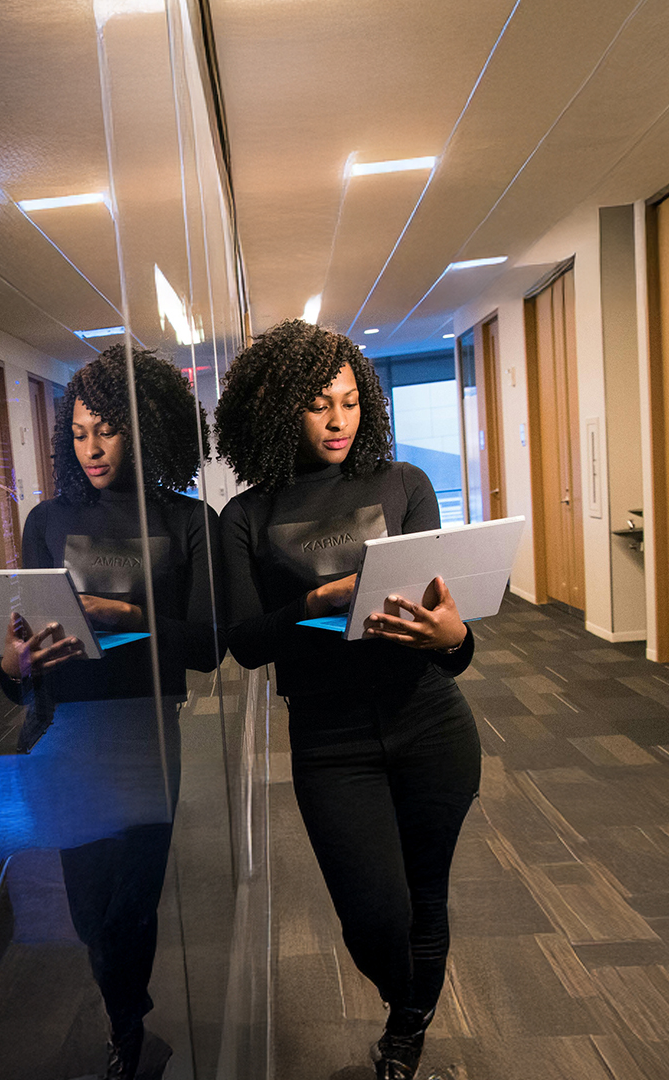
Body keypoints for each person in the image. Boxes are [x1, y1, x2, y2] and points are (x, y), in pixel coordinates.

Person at [215, 321, 479, 1080]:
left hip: (429, 721)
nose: (338, 421)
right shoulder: (248, 517)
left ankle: (405, 1031)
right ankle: (413, 1000)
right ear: (276, 410)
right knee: (373, 915)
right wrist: (317, 602)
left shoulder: (404, 486)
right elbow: (244, 640)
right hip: (330, 741)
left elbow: (450, 645)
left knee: (425, 894)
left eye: (350, 400)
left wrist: (453, 634)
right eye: (318, 406)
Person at [0, 344, 222, 1080]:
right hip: (66, 731)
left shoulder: (187, 521)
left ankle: (127, 1037)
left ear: (146, 428)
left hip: (146, 731)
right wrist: (14, 664)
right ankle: (127, 1020)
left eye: (108, 430)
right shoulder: (47, 520)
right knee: (90, 911)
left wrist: (124, 611)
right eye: (81, 431)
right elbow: (21, 660)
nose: (91, 448)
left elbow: (210, 646)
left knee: (132, 903)